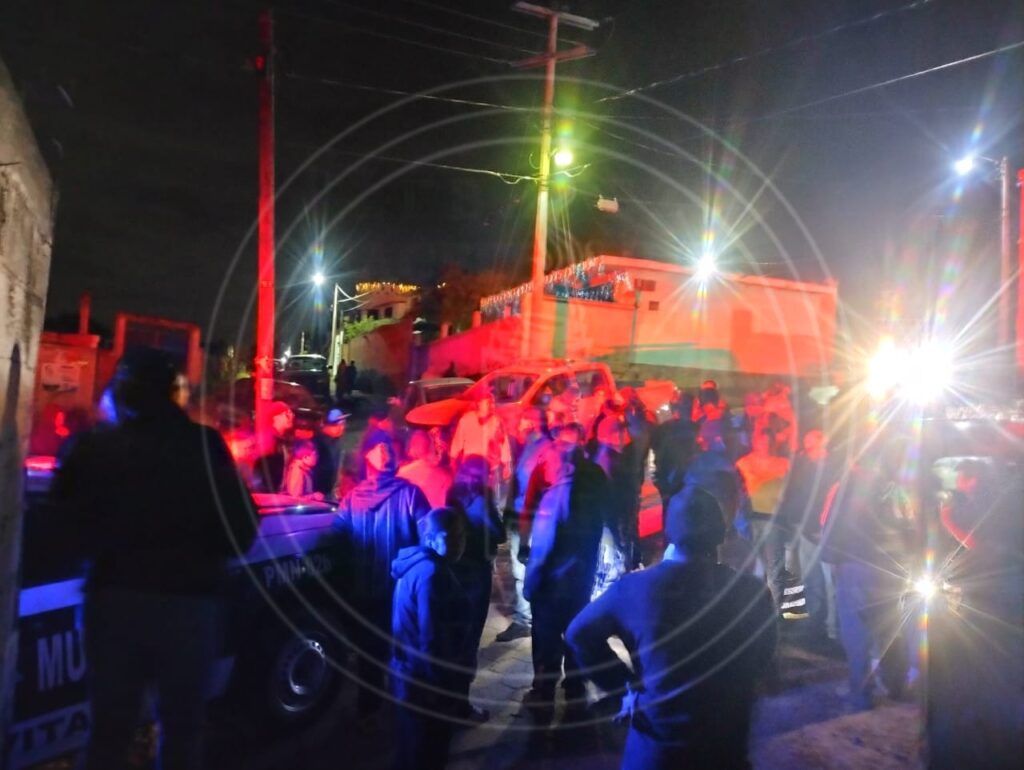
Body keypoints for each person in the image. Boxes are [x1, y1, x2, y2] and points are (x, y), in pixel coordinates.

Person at [53, 347, 257, 770]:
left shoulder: (93, 446)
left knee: (108, 734)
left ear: (120, 393)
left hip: (113, 603)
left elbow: (62, 529)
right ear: (171, 392)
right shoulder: (204, 445)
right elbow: (241, 530)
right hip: (190, 606)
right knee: (182, 734)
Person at [566, 484, 777, 770]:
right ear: (720, 535)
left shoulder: (635, 588)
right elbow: (762, 656)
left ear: (669, 535)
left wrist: (623, 687)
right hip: (725, 744)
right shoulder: (751, 591)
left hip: (657, 747)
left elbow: (578, 633)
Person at [331, 431, 430, 720]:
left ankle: (369, 711)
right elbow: (429, 539)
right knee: (403, 653)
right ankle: (404, 713)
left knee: (369, 656)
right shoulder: (411, 495)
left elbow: (337, 542)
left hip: (363, 592)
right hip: (400, 592)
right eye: (385, 450)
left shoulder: (351, 499)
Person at [521, 422, 608, 719]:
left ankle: (543, 695)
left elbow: (543, 548)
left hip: (553, 586)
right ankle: (575, 690)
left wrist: (530, 585)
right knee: (574, 634)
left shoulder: (556, 497)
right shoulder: (593, 486)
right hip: (581, 579)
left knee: (546, 641)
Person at [820, 443, 916, 709]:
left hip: (856, 563)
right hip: (892, 566)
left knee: (856, 630)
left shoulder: (846, 488)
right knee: (890, 627)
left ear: (855, 461)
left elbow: (834, 525)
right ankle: (895, 685)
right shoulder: (896, 487)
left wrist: (829, 557)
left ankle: (861, 692)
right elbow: (910, 524)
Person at [390, 507, 470, 770]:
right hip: (424, 681)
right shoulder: (432, 575)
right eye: (453, 536)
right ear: (432, 538)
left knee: (409, 747)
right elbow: (432, 637)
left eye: (462, 535)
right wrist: (440, 686)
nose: (461, 542)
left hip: (407, 674)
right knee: (428, 751)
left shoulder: (416, 565)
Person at [446, 455, 505, 721]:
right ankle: (461, 706)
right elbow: (499, 534)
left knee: (454, 635)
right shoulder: (482, 499)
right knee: (470, 639)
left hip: (454, 569)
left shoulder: (452, 494)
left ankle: (448, 697)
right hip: (476, 573)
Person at [776, 429, 841, 641]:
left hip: (822, 531)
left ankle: (831, 627)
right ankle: (807, 622)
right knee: (803, 577)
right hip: (801, 528)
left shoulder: (834, 469)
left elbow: (828, 501)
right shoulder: (805, 465)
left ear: (822, 445)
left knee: (828, 582)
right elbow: (795, 494)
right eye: (806, 447)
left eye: (811, 447)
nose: (807, 452)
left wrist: (823, 527)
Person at [495, 408, 550, 643]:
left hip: (531, 519)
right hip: (523, 516)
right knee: (522, 570)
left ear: (532, 424)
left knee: (525, 568)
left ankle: (526, 619)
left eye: (521, 421)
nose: (517, 425)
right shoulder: (530, 446)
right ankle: (527, 616)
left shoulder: (542, 449)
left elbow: (536, 488)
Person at [735, 428, 790, 608]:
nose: (764, 445)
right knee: (754, 562)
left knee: (774, 564)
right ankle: (757, 604)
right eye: (760, 441)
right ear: (753, 442)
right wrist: (772, 479)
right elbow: (752, 487)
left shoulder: (783, 462)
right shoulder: (744, 462)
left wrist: (761, 478)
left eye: (767, 441)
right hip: (750, 518)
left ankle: (775, 608)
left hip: (774, 519)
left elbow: (784, 491)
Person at [449, 392, 512, 505]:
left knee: (488, 499)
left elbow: (504, 443)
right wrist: (453, 461)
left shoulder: (497, 422)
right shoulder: (466, 420)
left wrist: (506, 464)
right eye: (488, 402)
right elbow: (457, 442)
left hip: (490, 470)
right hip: (471, 469)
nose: (492, 405)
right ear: (478, 403)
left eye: (492, 403)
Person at [652, 393, 699, 507]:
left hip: (668, 478)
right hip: (685, 479)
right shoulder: (696, 428)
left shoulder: (663, 428)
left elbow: (657, 449)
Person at [398, 429, 454, 508]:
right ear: (430, 447)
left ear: (413, 447)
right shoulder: (445, 476)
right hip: (439, 514)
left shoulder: (401, 474)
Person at [252, 400, 294, 493]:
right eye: (287, 413)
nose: (292, 416)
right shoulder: (268, 439)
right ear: (276, 417)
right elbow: (263, 470)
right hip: (268, 494)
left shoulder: (281, 440)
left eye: (291, 413)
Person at [313, 408, 348, 498]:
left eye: (343, 424)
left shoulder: (337, 442)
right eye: (337, 425)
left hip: (331, 493)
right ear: (326, 425)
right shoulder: (317, 444)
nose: (341, 428)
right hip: (318, 494)